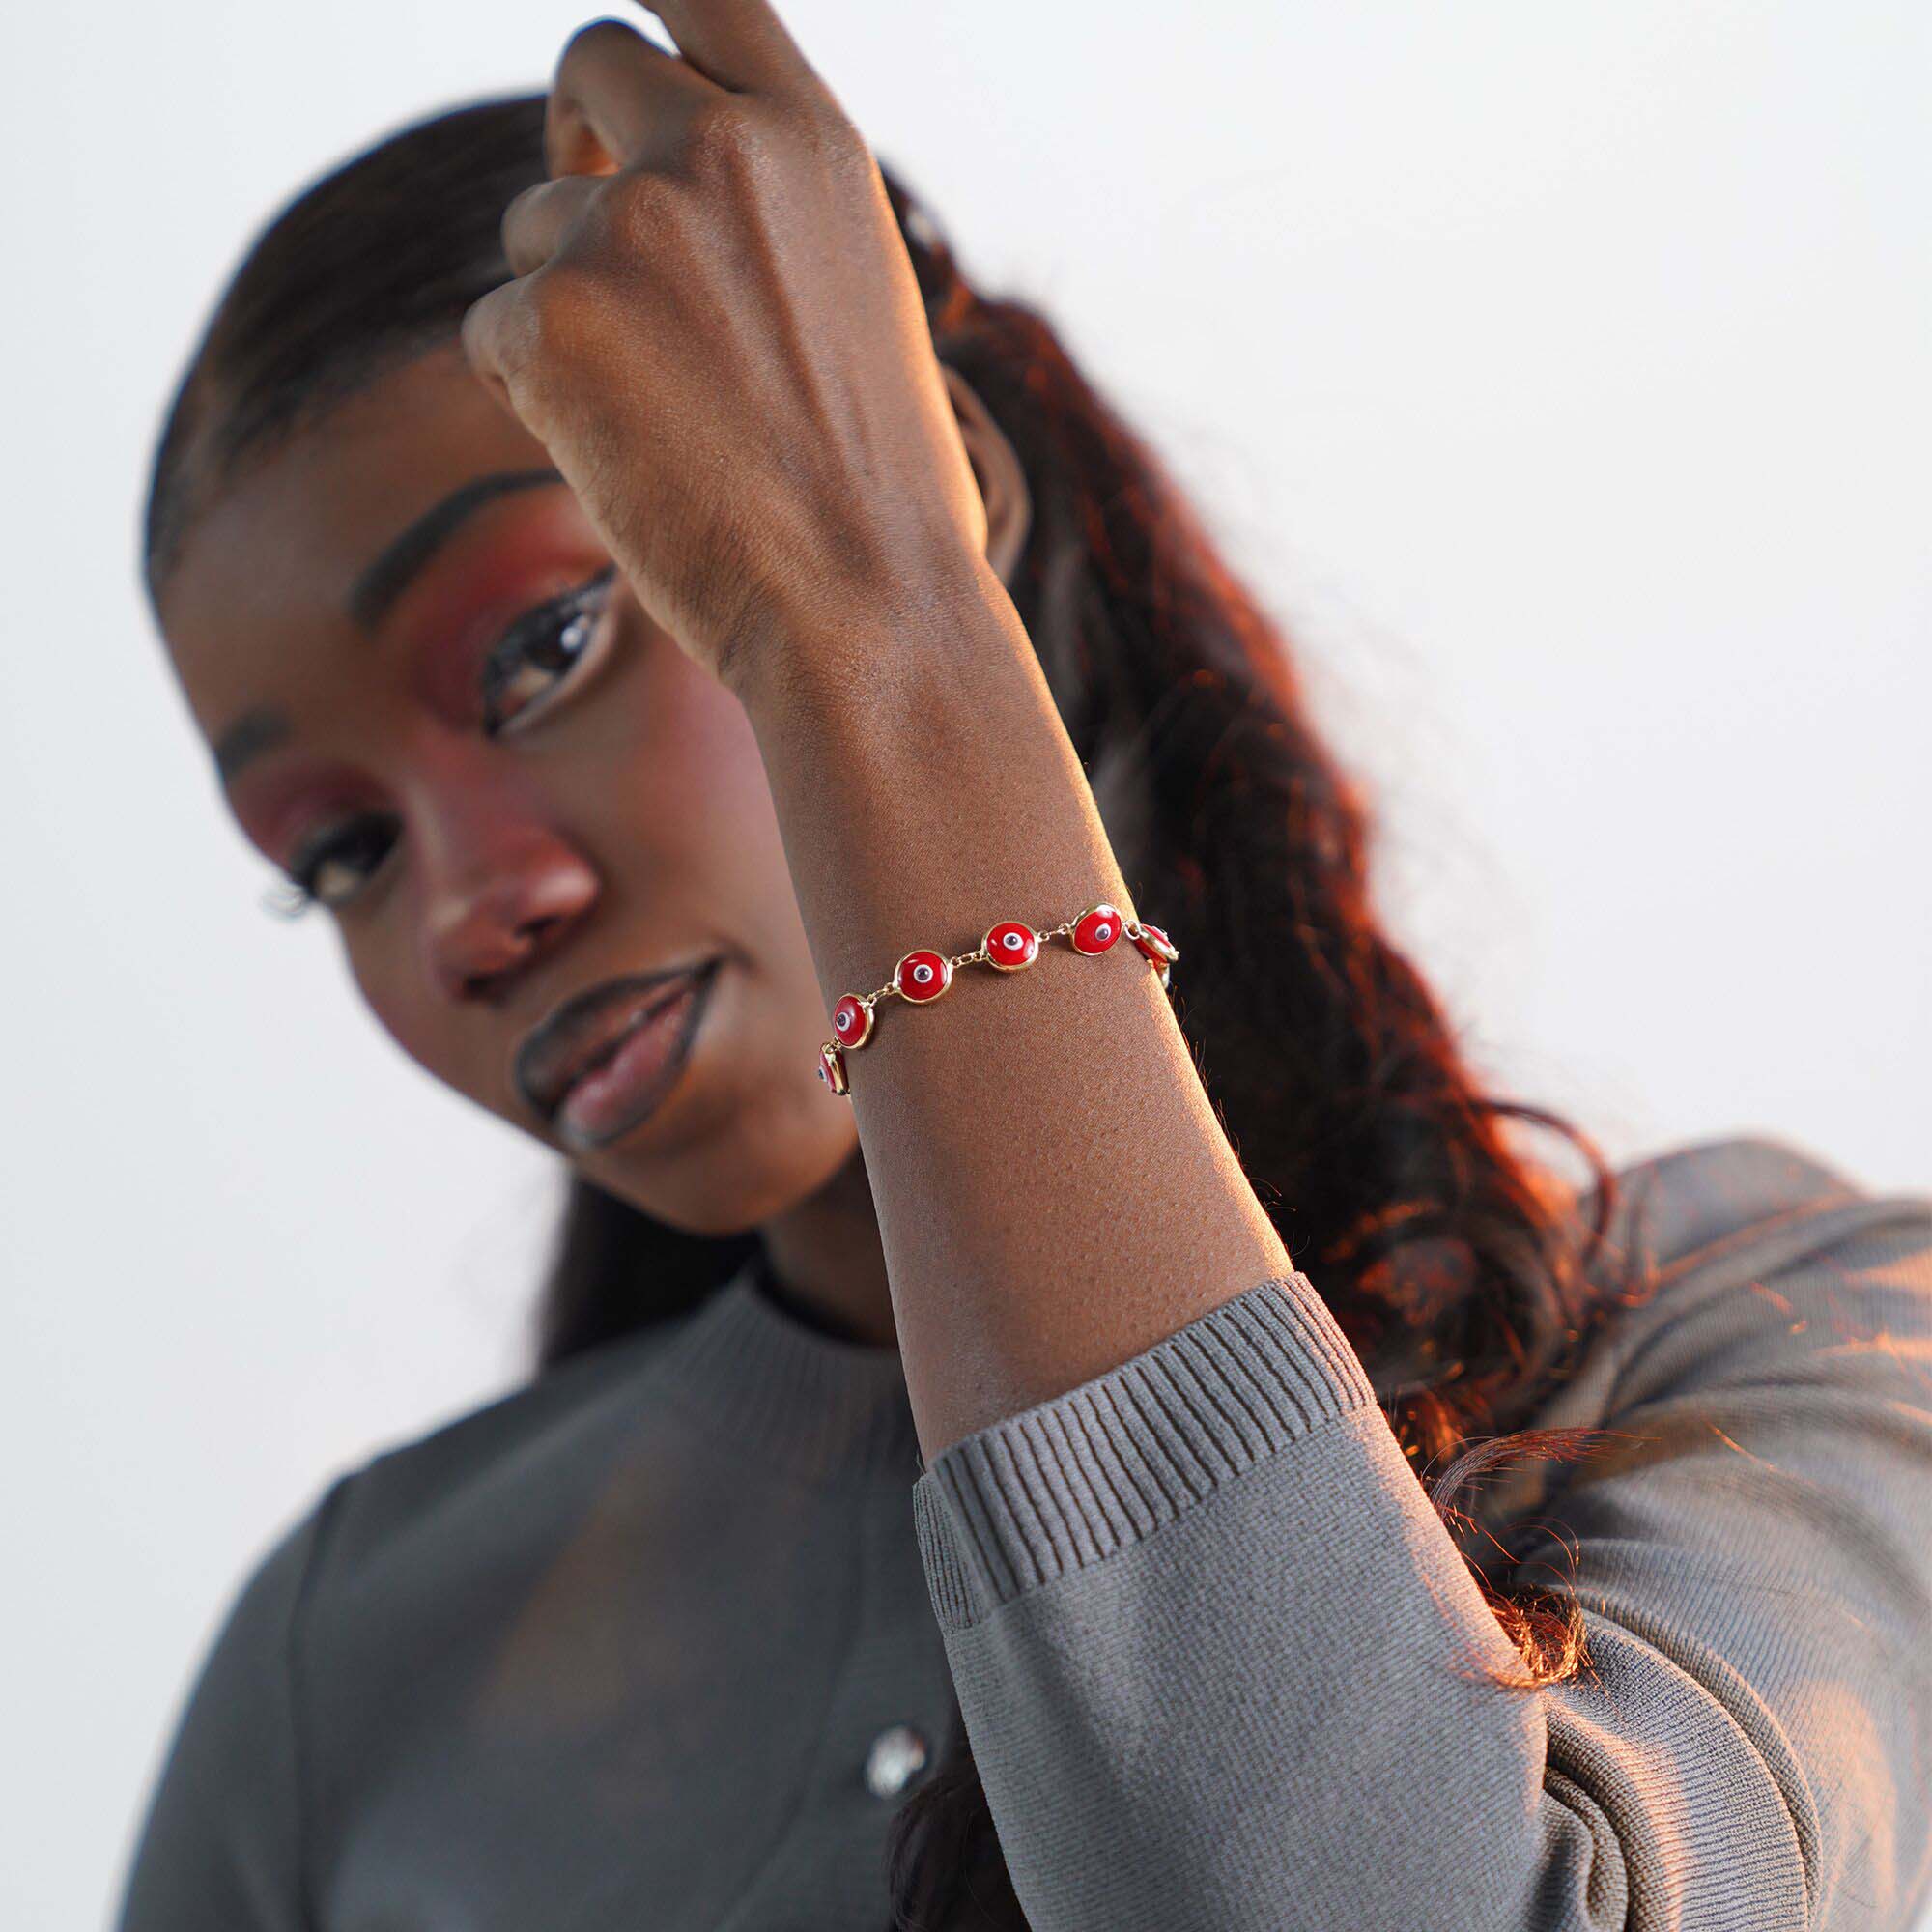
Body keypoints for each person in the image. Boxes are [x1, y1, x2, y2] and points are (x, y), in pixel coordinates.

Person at [120, 8, 1932, 1929]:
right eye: (342, 850)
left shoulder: (1784, 1347)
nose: (468, 906)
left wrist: (859, 619)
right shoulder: (354, 1665)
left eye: (539, 650)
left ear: (931, 479)